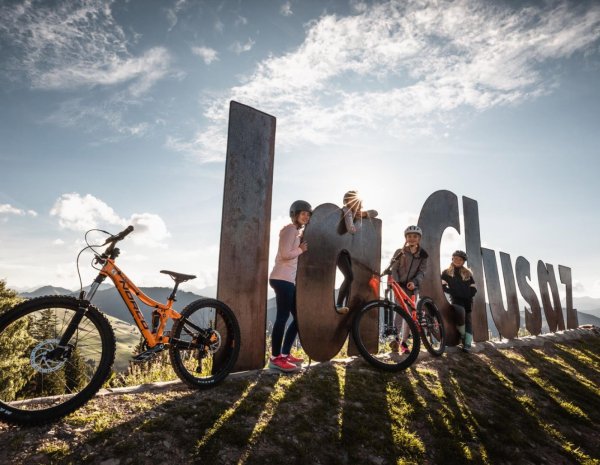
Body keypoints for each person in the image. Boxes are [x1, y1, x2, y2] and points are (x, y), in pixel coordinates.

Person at [268, 200, 312, 372]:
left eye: (308, 215)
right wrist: (301, 249)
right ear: (295, 214)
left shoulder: (296, 232)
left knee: (298, 318)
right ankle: (275, 358)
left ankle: (285, 354)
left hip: (287, 280)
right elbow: (286, 254)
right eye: (303, 213)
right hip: (282, 279)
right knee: (282, 318)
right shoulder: (289, 230)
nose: (306, 217)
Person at [336, 190, 378, 314]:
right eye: (350, 201)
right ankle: (339, 304)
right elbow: (351, 229)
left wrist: (363, 214)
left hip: (349, 251)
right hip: (340, 250)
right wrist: (360, 218)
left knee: (350, 279)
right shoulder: (347, 211)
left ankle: (345, 305)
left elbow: (375, 212)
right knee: (349, 277)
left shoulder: (355, 213)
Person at [389, 225, 429, 354]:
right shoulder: (399, 252)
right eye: (409, 236)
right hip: (399, 285)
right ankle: (395, 339)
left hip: (412, 287)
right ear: (406, 238)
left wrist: (414, 282)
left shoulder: (423, 255)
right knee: (400, 311)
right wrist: (396, 281)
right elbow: (394, 268)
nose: (412, 238)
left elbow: (422, 272)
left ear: (419, 239)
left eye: (415, 236)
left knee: (411, 313)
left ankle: (404, 342)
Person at [441, 250, 477, 352]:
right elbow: (442, 286)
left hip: (468, 300)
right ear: (452, 259)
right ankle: (464, 336)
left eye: (460, 259)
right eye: (455, 258)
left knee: (468, 321)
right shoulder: (446, 273)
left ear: (463, 261)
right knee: (460, 318)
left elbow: (474, 287)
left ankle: (467, 344)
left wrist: (469, 294)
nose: (457, 260)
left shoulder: (467, 273)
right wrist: (451, 292)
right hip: (456, 300)